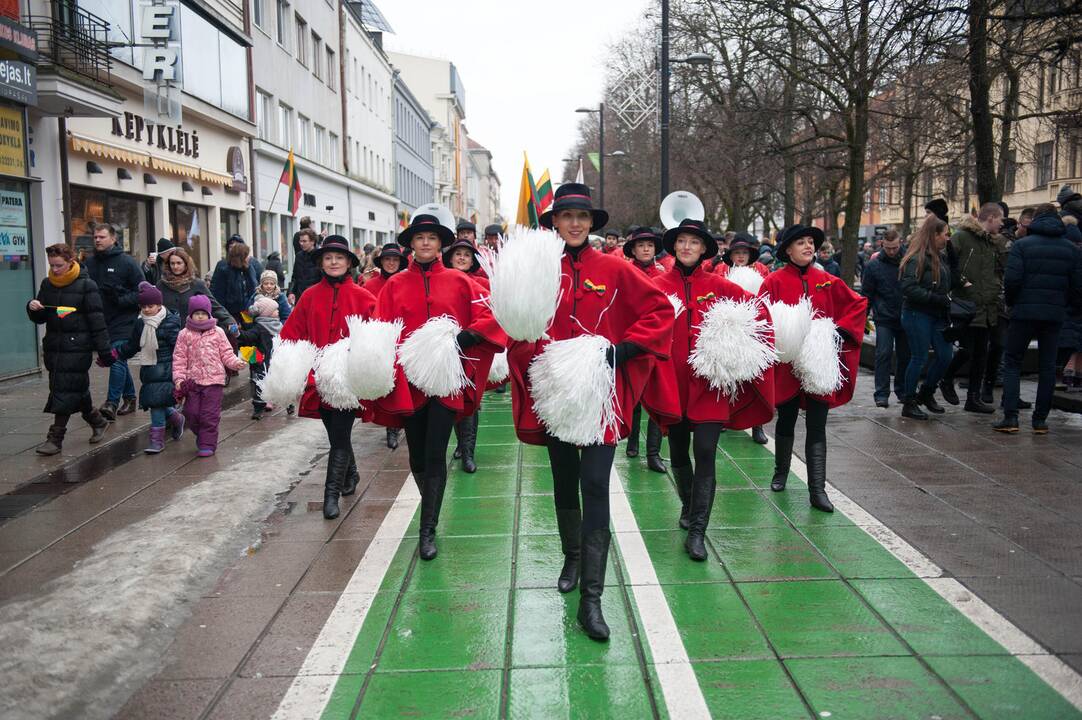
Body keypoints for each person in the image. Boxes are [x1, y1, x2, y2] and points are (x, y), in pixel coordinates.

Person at [506, 183, 673, 640]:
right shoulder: (539, 271)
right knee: (563, 478)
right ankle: (572, 557)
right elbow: (515, 327)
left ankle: (592, 601)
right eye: (567, 216)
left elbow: (660, 310)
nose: (575, 223)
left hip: (600, 395)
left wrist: (624, 350)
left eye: (582, 216)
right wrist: (539, 359)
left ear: (591, 223)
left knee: (596, 483)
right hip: (557, 394)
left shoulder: (615, 268)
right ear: (555, 223)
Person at [375, 215, 506, 560]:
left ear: (440, 244)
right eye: (420, 238)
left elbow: (491, 315)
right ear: (412, 244)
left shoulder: (460, 282)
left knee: (435, 453)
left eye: (432, 238)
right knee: (417, 455)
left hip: (446, 380)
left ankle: (427, 528)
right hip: (410, 382)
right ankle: (430, 503)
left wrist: (467, 335)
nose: (426, 243)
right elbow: (380, 328)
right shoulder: (394, 285)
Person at [650, 219, 774, 559]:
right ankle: (689, 509)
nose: (687, 247)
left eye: (694, 242)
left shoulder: (719, 285)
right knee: (677, 452)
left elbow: (758, 310)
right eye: (682, 241)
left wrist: (733, 346)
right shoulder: (658, 285)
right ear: (674, 246)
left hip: (710, 385)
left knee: (705, 452)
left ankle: (698, 532)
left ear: (705, 248)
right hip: (672, 386)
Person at [758, 224, 867, 512]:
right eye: (801, 243)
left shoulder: (827, 280)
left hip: (819, 362)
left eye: (811, 242)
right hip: (787, 364)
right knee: (786, 420)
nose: (808, 246)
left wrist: (837, 331)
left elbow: (857, 305)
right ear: (787, 250)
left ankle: (817, 490)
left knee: (817, 425)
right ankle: (781, 472)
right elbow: (759, 315)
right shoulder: (774, 281)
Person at [274, 236, 379, 517]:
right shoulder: (309, 295)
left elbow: (376, 340)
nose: (334, 262)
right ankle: (351, 474)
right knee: (335, 433)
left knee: (341, 435)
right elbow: (292, 332)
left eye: (339, 258)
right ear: (321, 262)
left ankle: (330, 496)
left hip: (347, 379)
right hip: (318, 377)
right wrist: (283, 363)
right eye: (329, 258)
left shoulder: (364, 297)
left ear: (349, 263)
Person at [995, 205, 1082, 433]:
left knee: (1013, 362)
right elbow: (1077, 288)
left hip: (1023, 312)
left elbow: (1011, 281)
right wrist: (1064, 306)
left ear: (1035, 220)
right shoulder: (1071, 250)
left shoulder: (1022, 245)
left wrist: (1013, 303)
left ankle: (1011, 418)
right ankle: (1040, 421)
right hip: (1054, 315)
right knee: (1048, 367)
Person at [27, 243, 114, 455]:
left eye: (59, 265)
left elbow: (97, 320)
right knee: (74, 389)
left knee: (63, 389)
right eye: (52, 266)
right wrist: (33, 307)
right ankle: (97, 420)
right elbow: (41, 317)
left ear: (70, 262)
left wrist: (105, 351)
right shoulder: (47, 284)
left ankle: (55, 439)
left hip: (77, 347)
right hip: (55, 347)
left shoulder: (86, 285)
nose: (55, 269)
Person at [939, 203, 1004, 413]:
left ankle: (973, 398)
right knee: (967, 350)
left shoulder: (991, 243)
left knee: (981, 354)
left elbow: (994, 271)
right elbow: (947, 263)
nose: (1002, 224)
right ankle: (946, 379)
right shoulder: (962, 237)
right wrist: (961, 281)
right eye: (1000, 219)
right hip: (966, 304)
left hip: (987, 306)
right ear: (991, 218)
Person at [898, 216, 958, 420]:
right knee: (919, 357)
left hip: (937, 313)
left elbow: (949, 281)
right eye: (945, 234)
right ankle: (909, 401)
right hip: (917, 313)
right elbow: (908, 287)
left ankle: (926, 392)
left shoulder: (941, 256)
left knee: (945, 356)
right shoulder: (917, 257)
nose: (948, 238)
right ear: (934, 234)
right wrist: (935, 298)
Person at [713, 232, 771, 444]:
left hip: (754, 327)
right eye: (736, 252)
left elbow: (766, 297)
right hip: (729, 327)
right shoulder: (720, 270)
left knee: (756, 374)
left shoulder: (762, 270)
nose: (740, 256)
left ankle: (758, 425)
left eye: (744, 253)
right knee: (726, 372)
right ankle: (722, 418)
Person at [172, 295, 247, 457]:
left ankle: (207, 443)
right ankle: (203, 434)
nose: (200, 316)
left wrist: (235, 362)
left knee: (209, 415)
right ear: (190, 314)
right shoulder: (184, 334)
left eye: (203, 313)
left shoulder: (218, 332)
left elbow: (226, 353)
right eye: (196, 313)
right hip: (192, 382)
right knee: (191, 413)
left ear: (209, 314)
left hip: (214, 381)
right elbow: (179, 358)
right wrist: (179, 379)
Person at [84, 223, 144, 421]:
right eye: (95, 237)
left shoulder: (127, 262)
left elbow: (143, 291)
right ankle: (130, 397)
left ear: (113, 239)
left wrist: (120, 299)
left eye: (102, 237)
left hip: (124, 320)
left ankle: (111, 402)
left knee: (116, 356)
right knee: (118, 359)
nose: (98, 240)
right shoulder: (89, 263)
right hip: (101, 320)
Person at [442, 235, 491, 474]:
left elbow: (491, 314)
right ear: (450, 258)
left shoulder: (481, 284)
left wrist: (470, 335)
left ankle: (468, 453)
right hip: (443, 351)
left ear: (473, 260)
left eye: (467, 255)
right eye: (457, 254)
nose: (462, 258)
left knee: (470, 399)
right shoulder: (442, 281)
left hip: (472, 350)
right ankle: (461, 444)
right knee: (451, 396)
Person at [116, 282, 184, 453]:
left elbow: (179, 348)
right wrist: (116, 354)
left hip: (167, 370)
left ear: (159, 305)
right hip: (148, 369)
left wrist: (182, 371)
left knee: (156, 405)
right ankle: (177, 419)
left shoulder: (171, 322)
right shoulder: (140, 324)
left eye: (150, 306)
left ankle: (156, 441)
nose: (146, 309)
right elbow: (132, 346)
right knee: (158, 403)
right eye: (143, 306)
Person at [622, 227, 667, 470]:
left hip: (657, 341)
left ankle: (653, 453)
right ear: (634, 249)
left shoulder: (663, 273)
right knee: (634, 395)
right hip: (631, 339)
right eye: (641, 245)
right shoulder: (624, 272)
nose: (646, 249)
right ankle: (631, 440)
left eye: (650, 244)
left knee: (657, 396)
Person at [862, 230, 909, 408]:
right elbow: (867, 294)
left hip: (905, 315)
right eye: (888, 248)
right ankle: (881, 393)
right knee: (883, 354)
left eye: (895, 247)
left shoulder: (908, 261)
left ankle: (902, 389)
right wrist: (863, 319)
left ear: (900, 243)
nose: (892, 251)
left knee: (905, 355)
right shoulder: (874, 266)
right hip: (884, 317)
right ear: (882, 244)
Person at [154, 247, 235, 331]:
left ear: (185, 264)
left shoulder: (196, 284)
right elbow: (154, 308)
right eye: (172, 263)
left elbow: (214, 305)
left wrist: (229, 321)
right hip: (167, 334)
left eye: (179, 263)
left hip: (191, 334)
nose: (175, 266)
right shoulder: (161, 285)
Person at [239, 296, 283, 421]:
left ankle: (287, 403)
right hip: (259, 359)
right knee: (259, 383)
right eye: (275, 310)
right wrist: (237, 333)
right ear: (267, 313)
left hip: (276, 359)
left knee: (280, 380)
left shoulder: (278, 325)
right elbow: (248, 336)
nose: (278, 311)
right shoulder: (259, 327)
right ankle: (258, 408)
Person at [211, 238, 263, 324]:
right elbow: (218, 294)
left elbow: (254, 288)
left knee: (248, 332)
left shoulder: (249, 268)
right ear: (240, 257)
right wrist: (224, 316)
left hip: (246, 310)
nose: (249, 258)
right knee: (234, 334)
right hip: (230, 312)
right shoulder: (224, 268)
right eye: (246, 256)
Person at [288, 226, 321, 304]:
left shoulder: (320, 256)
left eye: (304, 241)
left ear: (312, 242)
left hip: (315, 298)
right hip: (300, 297)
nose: (301, 243)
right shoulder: (299, 256)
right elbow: (295, 277)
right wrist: (291, 292)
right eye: (300, 241)